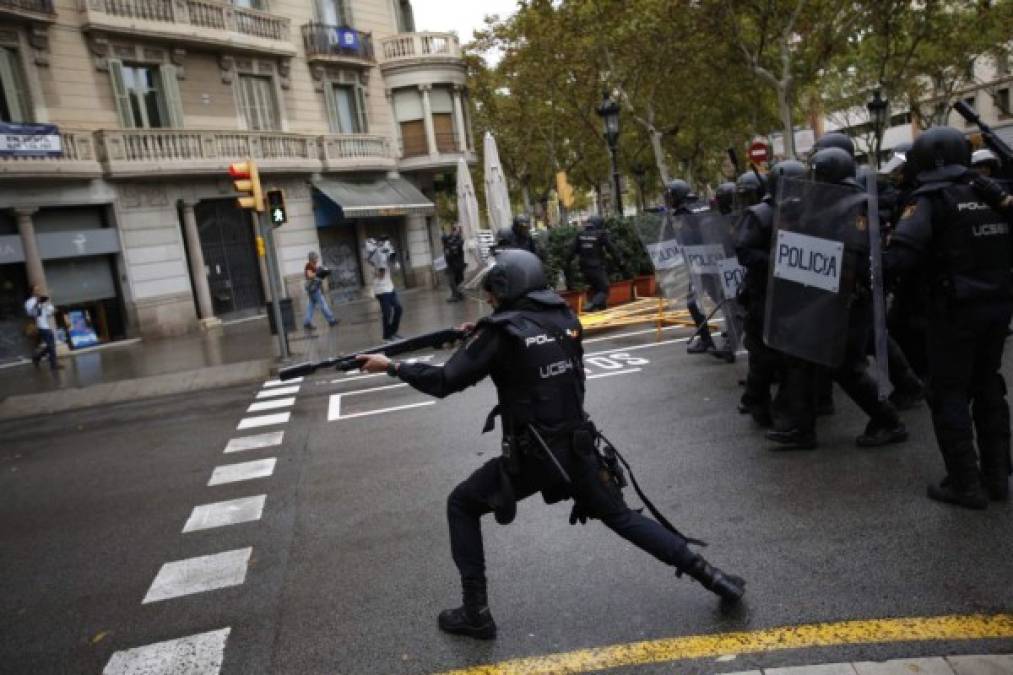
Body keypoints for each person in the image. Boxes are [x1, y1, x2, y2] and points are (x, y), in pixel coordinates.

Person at [356, 249, 746, 640]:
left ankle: (475, 612)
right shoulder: (564, 316)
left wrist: (392, 366)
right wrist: (479, 333)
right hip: (579, 446)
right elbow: (529, 348)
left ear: (509, 287)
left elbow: (445, 381)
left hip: (534, 456)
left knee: (461, 504)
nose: (490, 298)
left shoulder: (500, 333)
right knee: (623, 518)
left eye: (493, 290)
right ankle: (714, 578)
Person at [886, 126, 1013, 508]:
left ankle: (965, 484)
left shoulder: (929, 199)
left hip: (952, 311)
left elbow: (902, 256)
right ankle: (997, 478)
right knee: (988, 385)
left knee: (948, 393)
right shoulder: (994, 195)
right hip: (998, 308)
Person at [766, 147, 907, 450]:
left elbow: (851, 253)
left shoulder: (855, 204)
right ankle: (801, 429)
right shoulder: (827, 200)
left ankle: (890, 421)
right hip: (824, 296)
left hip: (848, 300)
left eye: (815, 173)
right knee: (804, 357)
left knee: (846, 367)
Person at [735, 161, 804, 426]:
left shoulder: (809, 211)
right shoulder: (760, 214)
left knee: (793, 358)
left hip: (797, 295)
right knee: (763, 355)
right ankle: (757, 402)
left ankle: (781, 406)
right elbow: (744, 251)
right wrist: (777, 262)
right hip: (765, 294)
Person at [667, 179, 717, 355]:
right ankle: (726, 336)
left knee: (694, 302)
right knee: (719, 300)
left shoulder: (684, 212)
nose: (670, 200)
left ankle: (708, 340)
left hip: (699, 263)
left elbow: (687, 238)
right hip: (712, 260)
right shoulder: (701, 206)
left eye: (671, 196)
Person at [567, 215, 624, 312]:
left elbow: (571, 251)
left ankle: (602, 312)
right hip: (597, 266)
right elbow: (611, 249)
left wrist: (567, 264)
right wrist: (620, 261)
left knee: (595, 289)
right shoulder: (600, 234)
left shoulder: (580, 234)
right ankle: (591, 305)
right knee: (604, 289)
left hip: (584, 267)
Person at [366, 237, 403, 342]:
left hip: (389, 287)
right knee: (387, 313)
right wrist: (383, 261)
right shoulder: (373, 259)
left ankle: (393, 332)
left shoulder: (382, 253)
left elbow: (394, 264)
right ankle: (387, 336)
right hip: (381, 290)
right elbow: (380, 275)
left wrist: (393, 260)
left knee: (398, 309)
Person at [25, 286, 62, 370]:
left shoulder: (43, 300)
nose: (38, 291)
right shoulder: (30, 302)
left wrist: (52, 309)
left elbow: (50, 312)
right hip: (40, 326)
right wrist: (37, 303)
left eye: (39, 290)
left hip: (46, 325)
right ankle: (53, 365)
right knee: (51, 346)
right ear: (32, 292)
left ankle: (37, 357)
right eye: (36, 290)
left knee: (52, 345)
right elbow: (31, 313)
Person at [303, 251, 338, 331]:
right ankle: (331, 320)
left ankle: (307, 322)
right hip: (313, 289)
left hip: (313, 288)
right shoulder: (309, 265)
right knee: (323, 304)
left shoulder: (314, 266)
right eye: (316, 258)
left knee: (311, 306)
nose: (317, 259)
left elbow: (317, 274)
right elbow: (309, 275)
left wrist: (324, 272)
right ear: (312, 259)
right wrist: (318, 272)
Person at [442, 225, 467, 303]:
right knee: (456, 280)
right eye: (454, 230)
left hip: (456, 264)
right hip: (454, 264)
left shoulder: (458, 240)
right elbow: (445, 242)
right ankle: (459, 294)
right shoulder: (451, 239)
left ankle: (456, 295)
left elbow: (453, 249)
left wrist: (449, 245)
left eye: (456, 230)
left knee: (454, 280)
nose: (454, 232)